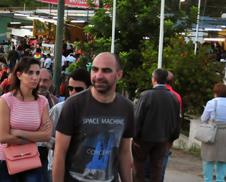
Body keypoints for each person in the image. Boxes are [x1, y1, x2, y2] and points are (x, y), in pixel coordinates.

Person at [53, 52, 135, 182]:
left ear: (119, 75)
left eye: (106, 71)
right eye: (95, 69)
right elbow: (59, 153)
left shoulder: (127, 107)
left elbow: (124, 153)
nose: (99, 76)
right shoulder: (74, 105)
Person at [0, 57, 51, 181]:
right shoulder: (7, 100)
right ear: (19, 75)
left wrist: (19, 132)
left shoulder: (42, 102)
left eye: (37, 72)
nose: (35, 77)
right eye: (30, 73)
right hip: (5, 159)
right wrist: (35, 136)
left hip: (31, 158)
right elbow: (3, 137)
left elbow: (46, 136)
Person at [133, 69, 180, 182]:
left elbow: (138, 117)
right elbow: (176, 119)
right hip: (162, 138)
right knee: (157, 167)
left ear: (154, 79)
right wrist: (172, 138)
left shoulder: (146, 95)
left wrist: (135, 136)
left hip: (144, 139)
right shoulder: (174, 98)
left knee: (139, 167)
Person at [46, 69, 92, 180]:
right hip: (59, 166)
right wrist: (61, 146)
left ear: (89, 88)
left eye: (78, 89)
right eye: (70, 88)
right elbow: (45, 137)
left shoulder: (95, 112)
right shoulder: (58, 109)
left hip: (86, 170)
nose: (73, 92)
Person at [200, 83, 226, 182]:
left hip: (212, 133)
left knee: (208, 158)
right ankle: (220, 179)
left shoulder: (211, 103)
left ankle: (208, 180)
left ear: (215, 93)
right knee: (223, 159)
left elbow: (203, 118)